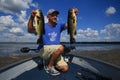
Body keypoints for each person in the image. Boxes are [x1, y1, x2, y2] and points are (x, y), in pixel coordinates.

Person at [27, 9, 68, 76]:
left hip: (56, 51)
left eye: (56, 15)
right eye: (52, 15)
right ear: (47, 17)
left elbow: (69, 24)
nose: (55, 17)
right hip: (44, 50)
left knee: (65, 68)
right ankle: (49, 67)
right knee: (61, 47)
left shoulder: (59, 25)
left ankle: (50, 62)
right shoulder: (42, 25)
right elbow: (30, 30)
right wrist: (32, 17)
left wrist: (73, 15)